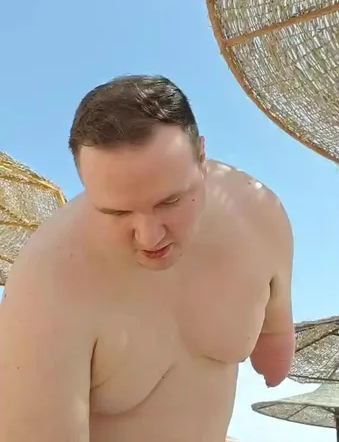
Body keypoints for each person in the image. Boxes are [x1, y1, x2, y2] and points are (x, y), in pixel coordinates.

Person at [0, 75, 294, 442]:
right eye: (117, 212)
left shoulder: (259, 215)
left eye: (170, 201)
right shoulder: (46, 284)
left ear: (202, 157)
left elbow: (275, 348)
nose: (150, 237)